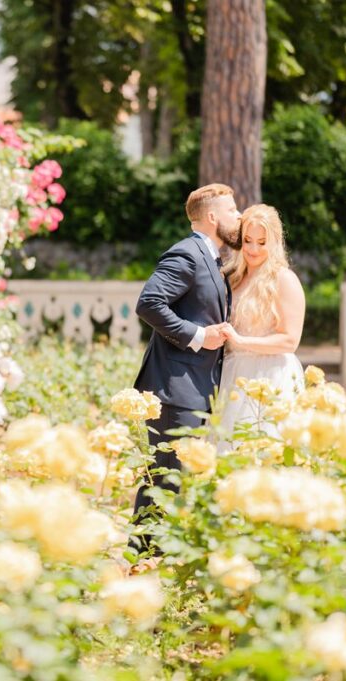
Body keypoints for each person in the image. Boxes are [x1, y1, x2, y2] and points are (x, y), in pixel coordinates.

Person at [131, 183, 242, 557]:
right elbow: (149, 303)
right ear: (212, 217)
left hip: (195, 388)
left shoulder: (211, 258)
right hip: (174, 388)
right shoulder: (188, 253)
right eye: (232, 210)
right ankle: (144, 560)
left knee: (172, 479)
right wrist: (198, 335)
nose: (238, 216)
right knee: (164, 479)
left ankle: (155, 561)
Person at [216, 204, 305, 444]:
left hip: (270, 376)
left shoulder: (284, 279)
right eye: (248, 240)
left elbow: (290, 340)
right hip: (233, 376)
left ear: (274, 242)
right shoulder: (231, 277)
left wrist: (242, 340)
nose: (253, 249)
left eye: (262, 242)